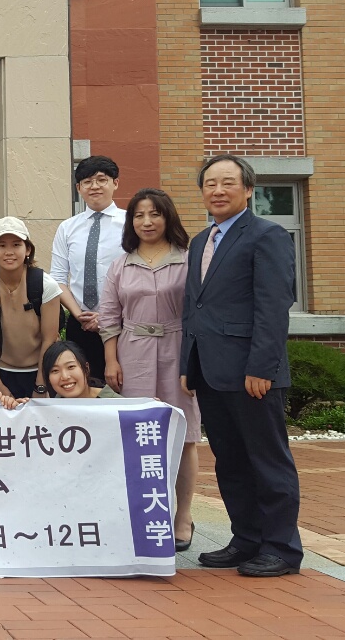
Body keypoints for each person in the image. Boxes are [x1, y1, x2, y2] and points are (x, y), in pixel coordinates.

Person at [182, 154, 301, 577]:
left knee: (267, 460)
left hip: (253, 374)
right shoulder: (201, 241)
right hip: (210, 371)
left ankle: (281, 548)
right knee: (230, 461)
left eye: (227, 182)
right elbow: (193, 307)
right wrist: (188, 362)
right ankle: (247, 539)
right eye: (210, 183)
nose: (217, 190)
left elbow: (274, 307)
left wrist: (262, 368)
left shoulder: (267, 235)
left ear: (248, 189)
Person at [98, 187, 200, 551]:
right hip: (134, 353)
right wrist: (111, 359)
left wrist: (194, 362)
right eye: (139, 215)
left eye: (154, 214)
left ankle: (182, 516)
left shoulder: (188, 260)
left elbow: (198, 313)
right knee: (137, 436)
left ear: (167, 217)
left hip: (177, 351)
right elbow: (109, 316)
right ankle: (139, 514)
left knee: (184, 436)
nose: (147, 221)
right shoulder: (120, 265)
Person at [50, 156, 126, 385]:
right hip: (80, 323)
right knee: (82, 387)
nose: (94, 186)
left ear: (115, 183)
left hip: (121, 322)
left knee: (120, 387)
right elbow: (57, 278)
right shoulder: (67, 228)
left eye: (101, 180)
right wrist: (78, 315)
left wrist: (107, 316)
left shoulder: (131, 223)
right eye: (87, 182)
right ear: (78, 188)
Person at [0, 217, 62, 401]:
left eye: (16, 245)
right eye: (1, 245)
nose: (9, 252)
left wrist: (41, 385)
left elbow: (49, 339)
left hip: (40, 372)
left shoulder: (45, 285)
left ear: (27, 249)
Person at [0, 341, 114, 408]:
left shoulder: (115, 404)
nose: (65, 376)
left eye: (71, 367)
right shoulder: (50, 407)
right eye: (55, 371)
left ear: (86, 369)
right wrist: (16, 410)